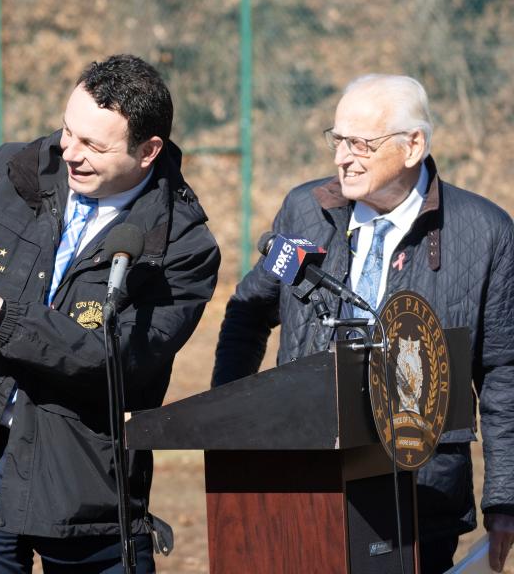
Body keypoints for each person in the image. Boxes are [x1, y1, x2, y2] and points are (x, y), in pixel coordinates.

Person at [0, 54, 221, 573]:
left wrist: (1, 317)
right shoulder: (8, 173)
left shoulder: (180, 245)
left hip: (84, 478)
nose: (70, 152)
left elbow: (125, 362)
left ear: (148, 150)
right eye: (67, 131)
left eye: (93, 146)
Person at [212, 74, 514, 573]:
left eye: (360, 144)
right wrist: (229, 426)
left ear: (412, 145)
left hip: (420, 498)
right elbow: (248, 311)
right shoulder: (306, 211)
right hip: (303, 489)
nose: (341, 157)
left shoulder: (485, 235)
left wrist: (504, 500)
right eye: (337, 139)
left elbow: (504, 373)